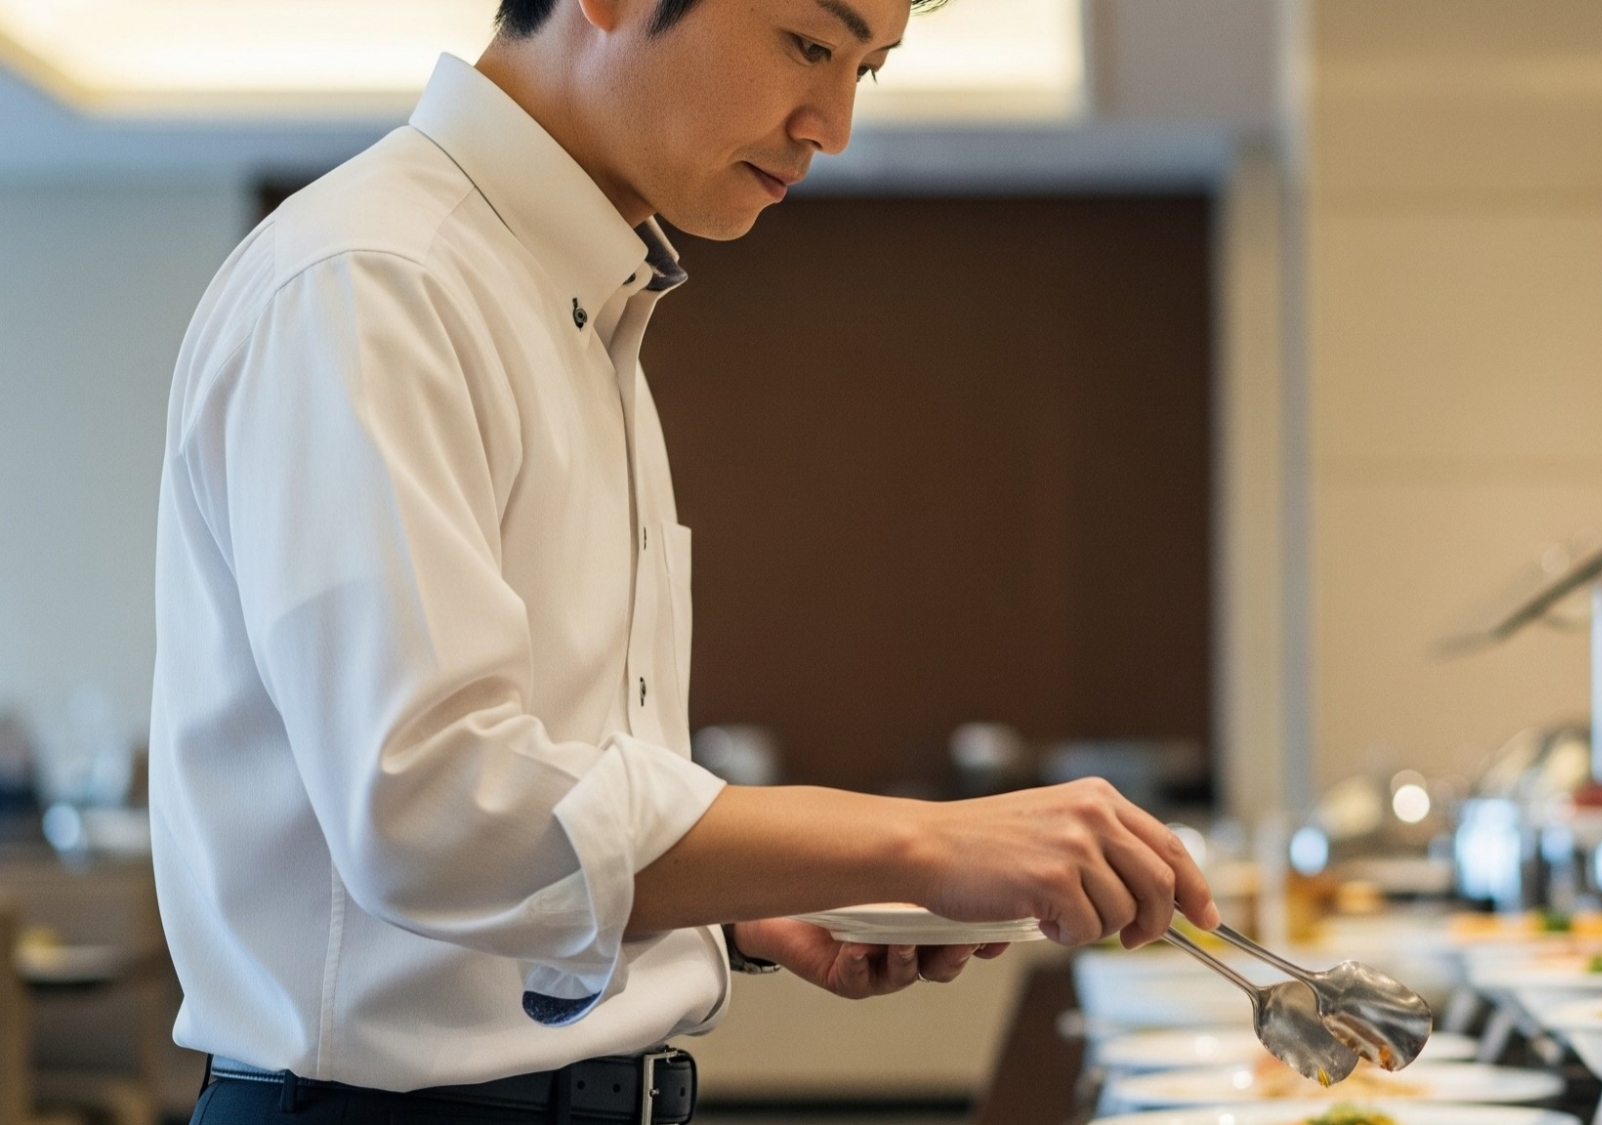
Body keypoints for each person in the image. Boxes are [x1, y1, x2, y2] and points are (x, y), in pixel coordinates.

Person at [150, 0, 1218, 1121]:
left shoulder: (572, 300)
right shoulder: (374, 279)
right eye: (810, 45)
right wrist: (920, 843)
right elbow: (429, 811)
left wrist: (747, 904)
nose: (833, 125)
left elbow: (546, 792)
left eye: (869, 68)